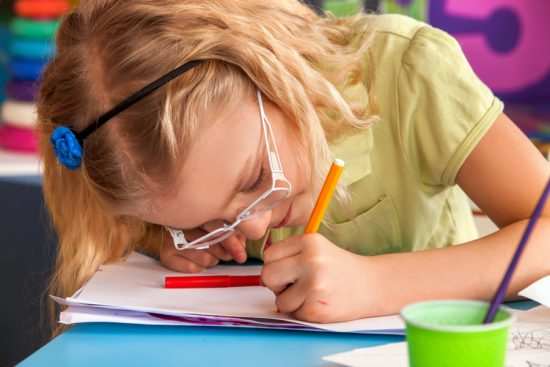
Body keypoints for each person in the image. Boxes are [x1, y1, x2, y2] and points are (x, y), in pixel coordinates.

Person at [38, 0, 550, 329]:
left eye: (256, 179)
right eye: (205, 222)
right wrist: (169, 246)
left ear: (268, 70)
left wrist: (375, 285)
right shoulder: (166, 156)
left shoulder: (407, 71)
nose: (256, 225)